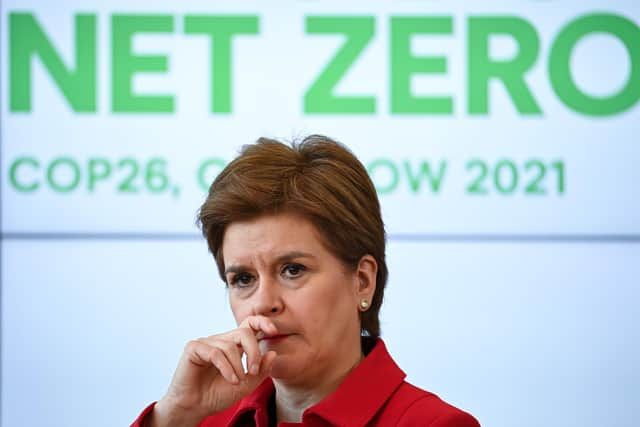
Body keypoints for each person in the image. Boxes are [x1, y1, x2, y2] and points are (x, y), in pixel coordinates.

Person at [131, 135, 480, 427]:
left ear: (362, 282)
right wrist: (174, 415)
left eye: (292, 270)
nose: (263, 303)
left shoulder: (432, 424)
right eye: (243, 278)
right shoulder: (200, 420)